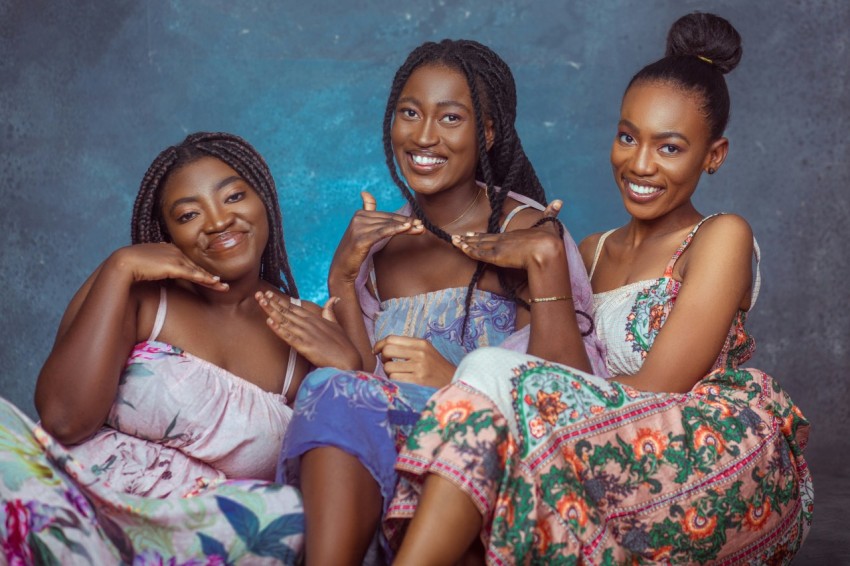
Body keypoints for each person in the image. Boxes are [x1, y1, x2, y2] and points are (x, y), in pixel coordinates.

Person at [386, 13, 813, 564]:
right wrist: (540, 269)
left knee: (487, 374)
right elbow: (566, 377)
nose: (640, 164)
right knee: (487, 424)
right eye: (628, 137)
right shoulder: (588, 251)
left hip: (698, 457)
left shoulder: (720, 236)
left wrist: (482, 373)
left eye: (670, 148)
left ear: (714, 155)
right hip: (601, 452)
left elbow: (655, 390)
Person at [279, 39, 607, 564]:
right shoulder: (380, 246)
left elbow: (566, 399)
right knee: (327, 388)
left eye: (450, 117)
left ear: (488, 132)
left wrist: (454, 382)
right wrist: (342, 275)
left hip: (495, 466)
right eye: (409, 113)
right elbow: (360, 388)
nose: (424, 135)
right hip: (394, 466)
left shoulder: (527, 232)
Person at [0, 132, 359, 563]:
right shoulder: (134, 290)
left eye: (234, 197)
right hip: (74, 515)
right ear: (167, 233)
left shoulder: (306, 329)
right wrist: (121, 265)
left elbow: (335, 476)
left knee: (285, 511)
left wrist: (346, 368)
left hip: (209, 543)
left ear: (263, 200)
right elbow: (63, 421)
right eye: (189, 214)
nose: (218, 221)